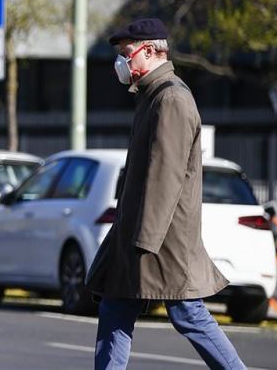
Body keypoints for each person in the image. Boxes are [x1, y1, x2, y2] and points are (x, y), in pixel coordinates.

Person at [85, 18, 246, 370]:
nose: (122, 63)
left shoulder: (170, 98)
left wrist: (144, 239)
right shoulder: (153, 95)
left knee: (188, 313)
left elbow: (165, 176)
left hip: (159, 239)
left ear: (150, 50)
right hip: (141, 234)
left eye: (127, 54)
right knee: (116, 307)